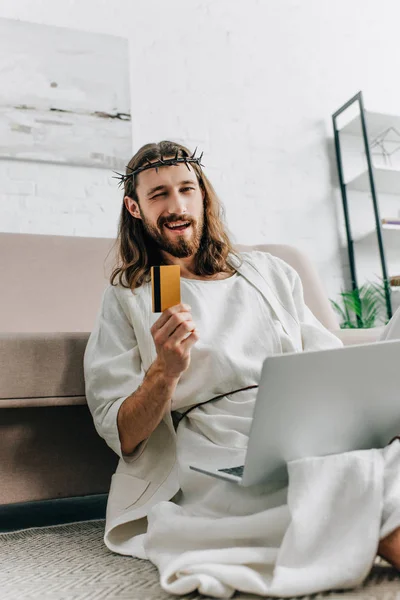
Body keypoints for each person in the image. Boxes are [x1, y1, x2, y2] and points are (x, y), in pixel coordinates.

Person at [83, 140, 400, 598]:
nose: (176, 206)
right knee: (340, 480)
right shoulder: (133, 295)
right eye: (158, 196)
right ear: (134, 208)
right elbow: (124, 434)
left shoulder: (266, 271)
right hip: (214, 442)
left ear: (203, 196)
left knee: (363, 464)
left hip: (297, 417)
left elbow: (331, 362)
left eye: (186, 190)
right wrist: (164, 372)